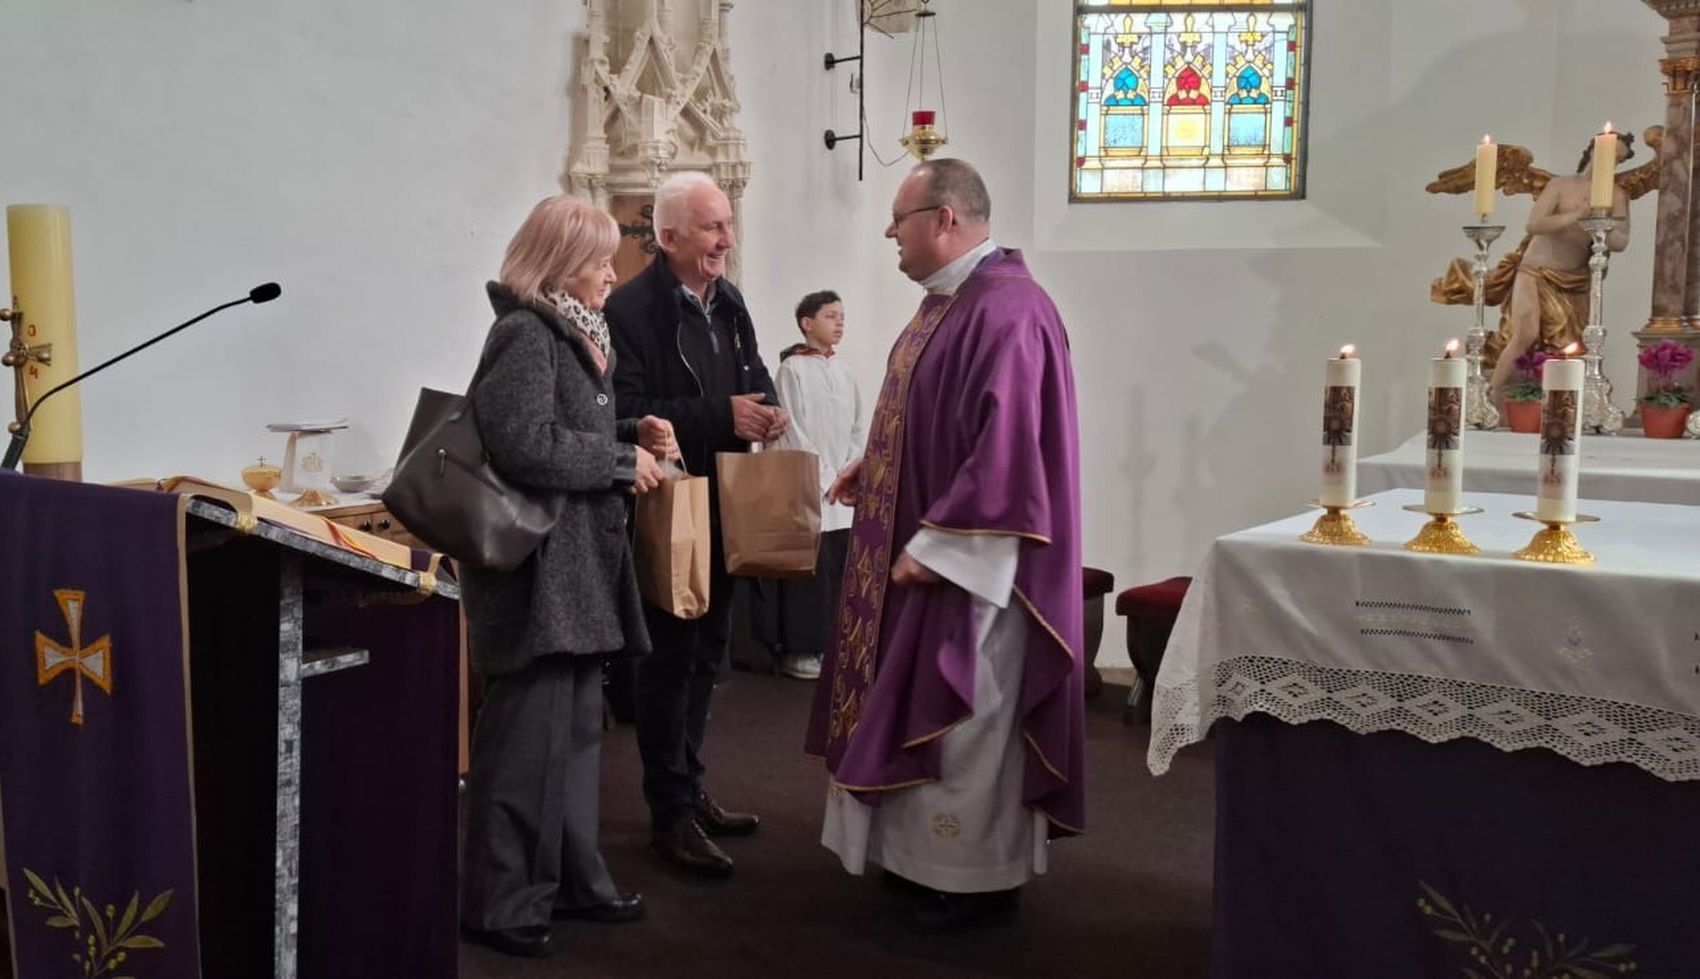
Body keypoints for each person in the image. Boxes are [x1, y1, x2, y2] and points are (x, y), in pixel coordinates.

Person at [804, 159, 1085, 931]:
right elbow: (940, 412)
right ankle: (913, 860)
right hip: (930, 544)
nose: (890, 233)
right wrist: (882, 458)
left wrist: (939, 544)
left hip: (976, 564)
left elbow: (1010, 449)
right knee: (918, 704)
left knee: (967, 712)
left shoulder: (1008, 310)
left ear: (948, 218)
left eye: (900, 218)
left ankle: (969, 879)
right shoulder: (951, 303)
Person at [459, 195, 678, 959]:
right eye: (596, 260)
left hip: (579, 566)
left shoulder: (581, 333)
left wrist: (630, 429)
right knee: (526, 743)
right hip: (537, 572)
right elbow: (520, 444)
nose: (612, 274)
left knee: (578, 735)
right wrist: (621, 462)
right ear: (556, 264)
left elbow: (566, 432)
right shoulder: (523, 332)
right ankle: (501, 899)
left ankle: (575, 877)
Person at [606, 170, 787, 878]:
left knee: (709, 652)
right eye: (712, 227)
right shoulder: (632, 309)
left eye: (727, 225)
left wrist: (766, 406)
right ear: (669, 235)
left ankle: (690, 782)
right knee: (670, 658)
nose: (726, 238)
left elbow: (754, 372)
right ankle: (668, 812)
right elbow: (627, 410)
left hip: (728, 500)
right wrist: (722, 416)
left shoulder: (729, 300)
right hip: (671, 503)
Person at [756, 290, 865, 681]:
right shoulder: (792, 370)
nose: (839, 322)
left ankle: (832, 645)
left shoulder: (845, 372)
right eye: (830, 316)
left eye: (842, 316)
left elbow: (856, 427)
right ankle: (800, 651)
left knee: (838, 569)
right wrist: (822, 477)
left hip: (841, 487)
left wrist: (848, 470)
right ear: (807, 323)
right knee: (810, 573)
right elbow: (793, 430)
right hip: (809, 485)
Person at [1480, 134, 1633, 403]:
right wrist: (1577, 216)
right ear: (1592, 152)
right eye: (1608, 155)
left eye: (1617, 160)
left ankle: (1562, 403)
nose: (1610, 164)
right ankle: (1489, 395)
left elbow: (1621, 241)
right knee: (1525, 333)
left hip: (1573, 281)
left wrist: (1602, 225)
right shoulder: (1560, 185)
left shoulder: (1616, 196)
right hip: (1534, 271)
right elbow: (1535, 224)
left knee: (1573, 346)